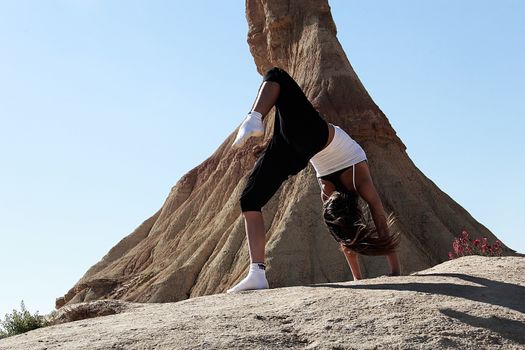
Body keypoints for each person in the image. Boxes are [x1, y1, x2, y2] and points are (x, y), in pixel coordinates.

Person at [227, 67, 400, 293]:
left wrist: (363, 277)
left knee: (277, 75)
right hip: (298, 149)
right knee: (250, 200)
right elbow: (375, 215)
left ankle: (254, 117)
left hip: (312, 138)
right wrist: (395, 271)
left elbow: (352, 227)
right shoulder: (355, 180)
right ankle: (257, 273)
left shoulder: (339, 189)